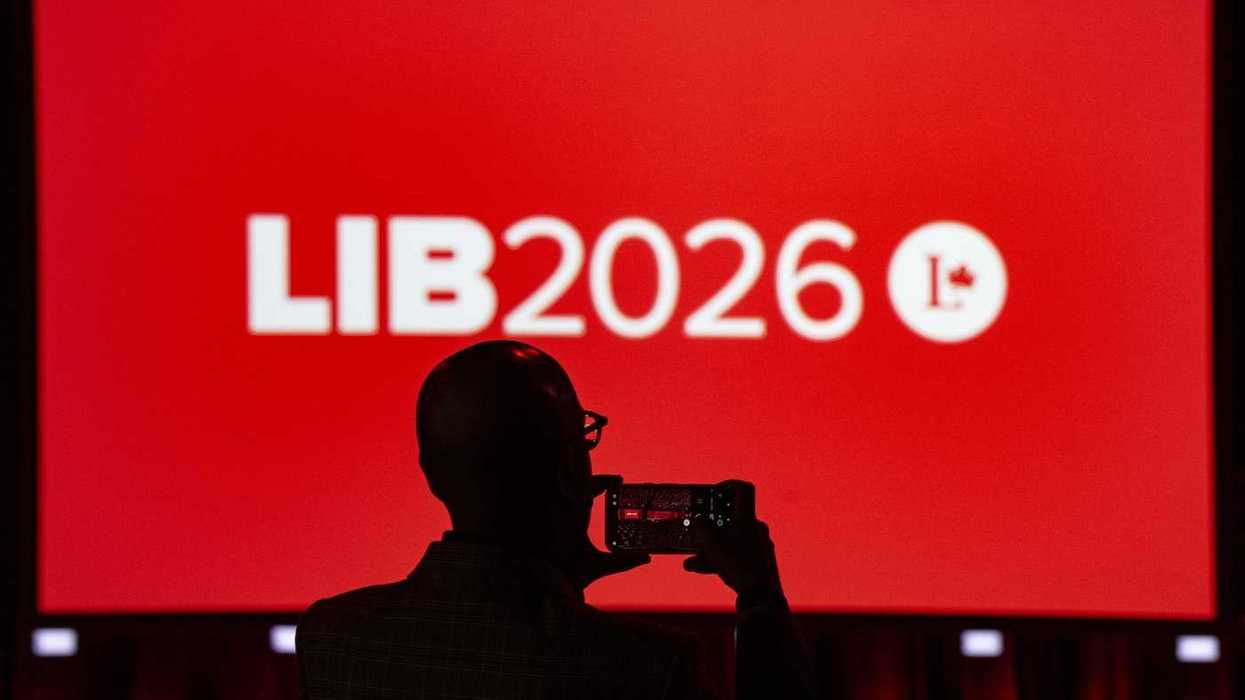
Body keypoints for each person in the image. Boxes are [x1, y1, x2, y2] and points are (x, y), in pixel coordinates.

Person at [297, 340, 814, 699]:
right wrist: (760, 594)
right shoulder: (645, 665)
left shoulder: (332, 637)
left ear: (430, 475)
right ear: (570, 470)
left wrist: (559, 585)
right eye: (585, 438)